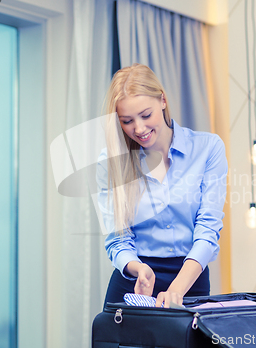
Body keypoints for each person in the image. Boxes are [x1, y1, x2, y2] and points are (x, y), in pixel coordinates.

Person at [96, 63, 227, 308]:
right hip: (135, 281)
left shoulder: (208, 148)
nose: (139, 129)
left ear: (163, 100)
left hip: (190, 280)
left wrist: (176, 288)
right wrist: (137, 269)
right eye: (127, 121)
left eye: (146, 115)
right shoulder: (111, 162)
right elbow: (117, 239)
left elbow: (208, 230)